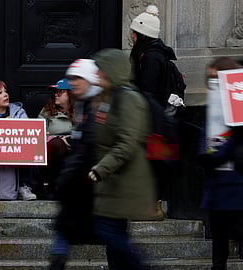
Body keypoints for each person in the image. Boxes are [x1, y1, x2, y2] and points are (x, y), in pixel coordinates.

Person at [90, 48, 156, 270]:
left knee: (109, 231)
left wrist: (101, 168)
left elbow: (127, 141)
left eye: (100, 70)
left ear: (111, 71)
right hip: (112, 182)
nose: (97, 75)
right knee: (113, 234)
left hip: (125, 181)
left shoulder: (128, 98)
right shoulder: (108, 98)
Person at [48, 59, 102, 269]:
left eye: (77, 78)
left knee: (113, 237)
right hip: (77, 184)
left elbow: (89, 146)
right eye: (71, 79)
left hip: (90, 183)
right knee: (63, 230)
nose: (73, 84)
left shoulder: (97, 107)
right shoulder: (84, 105)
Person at [129, 4, 176, 219]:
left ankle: (152, 205)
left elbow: (147, 91)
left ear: (142, 34)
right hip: (153, 118)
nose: (131, 36)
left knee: (149, 163)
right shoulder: (154, 55)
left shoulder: (150, 59)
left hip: (150, 120)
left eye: (134, 33)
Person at [199, 57, 243, 270]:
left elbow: (237, 138)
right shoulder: (214, 100)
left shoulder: (237, 102)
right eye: (210, 77)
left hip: (234, 182)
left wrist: (216, 156)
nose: (212, 81)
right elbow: (206, 132)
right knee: (218, 240)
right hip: (216, 182)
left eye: (216, 76)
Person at [37, 78, 75, 198]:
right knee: (56, 144)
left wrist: (68, 139)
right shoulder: (47, 111)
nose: (56, 95)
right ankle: (52, 185)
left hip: (73, 148)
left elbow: (85, 132)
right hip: (52, 148)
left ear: (70, 94)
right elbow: (38, 130)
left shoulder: (80, 111)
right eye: (55, 92)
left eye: (60, 92)